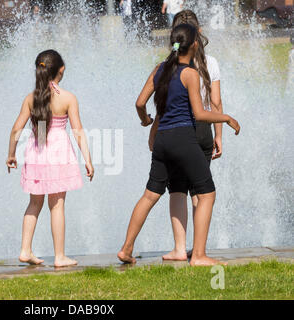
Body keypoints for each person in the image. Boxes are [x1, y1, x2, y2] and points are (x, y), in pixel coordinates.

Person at [117, 24, 240, 266]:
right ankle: (200, 256)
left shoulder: (159, 69)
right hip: (183, 138)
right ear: (194, 44)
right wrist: (226, 117)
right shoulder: (190, 74)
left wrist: (145, 120)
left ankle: (126, 249)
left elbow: (140, 102)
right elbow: (199, 113)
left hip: (162, 139)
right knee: (207, 194)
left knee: (150, 194)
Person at [147, 10, 224, 261]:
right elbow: (216, 101)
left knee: (177, 189)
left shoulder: (169, 64)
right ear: (197, 34)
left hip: (175, 128)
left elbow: (162, 104)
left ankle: (180, 249)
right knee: (200, 191)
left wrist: (153, 130)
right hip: (201, 129)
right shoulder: (209, 62)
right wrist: (219, 134)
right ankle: (197, 249)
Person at [6, 50, 94, 267]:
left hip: (36, 151)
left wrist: (11, 154)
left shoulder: (31, 98)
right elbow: (78, 131)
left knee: (34, 202)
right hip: (58, 153)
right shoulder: (67, 98)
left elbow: (16, 129)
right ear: (61, 70)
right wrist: (88, 159)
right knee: (57, 205)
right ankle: (59, 256)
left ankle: (25, 250)